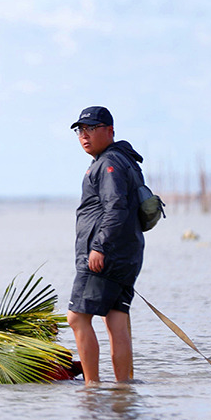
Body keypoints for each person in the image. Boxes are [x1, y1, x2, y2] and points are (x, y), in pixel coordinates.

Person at [66, 106, 145, 385]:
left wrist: (98, 247)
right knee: (115, 319)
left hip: (106, 254)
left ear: (110, 131)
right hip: (128, 254)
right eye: (80, 130)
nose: (84, 136)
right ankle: (123, 388)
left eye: (91, 129)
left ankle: (92, 386)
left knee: (76, 317)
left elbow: (116, 208)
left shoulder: (109, 163)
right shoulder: (124, 160)